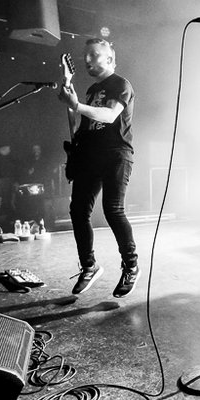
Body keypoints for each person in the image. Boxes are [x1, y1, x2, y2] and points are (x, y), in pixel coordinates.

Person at [57, 38, 139, 296]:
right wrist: (68, 88)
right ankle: (89, 266)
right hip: (90, 155)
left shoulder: (121, 84)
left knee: (113, 210)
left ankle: (131, 266)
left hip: (116, 154)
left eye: (94, 54)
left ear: (110, 59)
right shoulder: (92, 89)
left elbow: (109, 115)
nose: (87, 59)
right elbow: (76, 126)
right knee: (78, 210)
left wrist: (77, 105)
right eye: (86, 55)